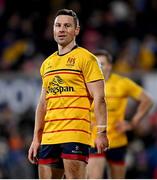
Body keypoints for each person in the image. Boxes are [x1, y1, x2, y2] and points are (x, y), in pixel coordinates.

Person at [28, 9, 108, 179]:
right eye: (58, 25)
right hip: (49, 137)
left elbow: (99, 98)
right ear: (53, 30)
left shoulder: (87, 59)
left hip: (75, 134)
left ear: (76, 30)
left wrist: (101, 132)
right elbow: (43, 104)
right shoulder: (47, 63)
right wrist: (36, 139)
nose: (62, 29)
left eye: (67, 25)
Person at [87, 49, 153, 179]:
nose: (99, 67)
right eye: (96, 64)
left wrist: (133, 123)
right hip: (93, 140)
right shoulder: (86, 84)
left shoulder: (122, 83)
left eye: (102, 64)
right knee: (94, 177)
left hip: (117, 140)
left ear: (110, 66)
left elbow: (147, 101)